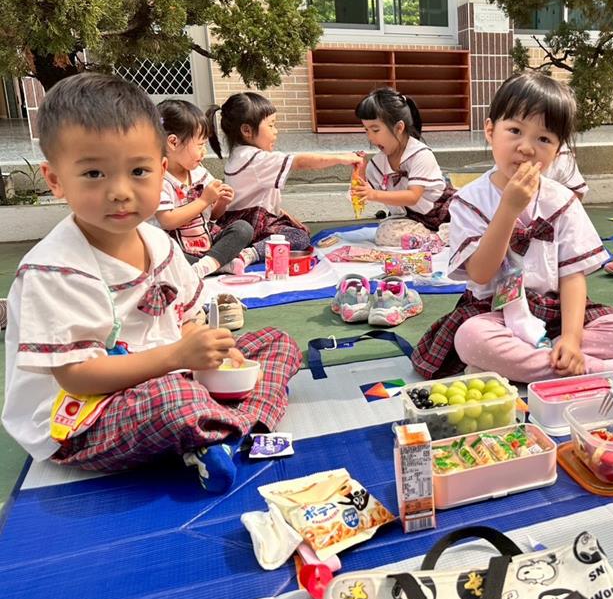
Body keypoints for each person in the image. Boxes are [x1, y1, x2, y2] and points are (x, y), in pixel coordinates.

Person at [2, 74, 301, 494]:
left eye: (139, 170)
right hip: (83, 416)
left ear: (162, 170)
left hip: (167, 371)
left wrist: (213, 350)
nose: (120, 192)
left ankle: (220, 431)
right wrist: (177, 355)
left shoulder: (159, 244)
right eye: (93, 173)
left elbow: (187, 319)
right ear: (55, 180)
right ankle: (216, 426)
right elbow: (76, 376)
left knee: (277, 343)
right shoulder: (53, 269)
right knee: (171, 398)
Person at [413, 71, 613, 384]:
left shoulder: (561, 200)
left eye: (544, 139)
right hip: (494, 311)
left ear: (558, 149)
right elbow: (480, 273)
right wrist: (508, 209)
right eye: (515, 131)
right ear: (490, 130)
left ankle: (542, 360)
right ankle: (598, 371)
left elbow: (572, 276)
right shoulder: (469, 200)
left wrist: (572, 339)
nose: (526, 148)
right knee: (471, 337)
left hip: (554, 311)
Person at [207, 92, 362, 260]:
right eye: (271, 125)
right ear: (247, 130)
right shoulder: (256, 158)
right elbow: (301, 162)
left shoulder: (239, 155)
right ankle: (250, 254)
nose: (276, 131)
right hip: (253, 224)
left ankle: (244, 250)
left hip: (239, 223)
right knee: (299, 237)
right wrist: (342, 158)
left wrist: (285, 214)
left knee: (299, 231)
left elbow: (255, 199)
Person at [154, 100, 256, 278]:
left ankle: (207, 265)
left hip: (206, 241)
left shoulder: (199, 172)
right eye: (200, 145)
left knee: (243, 228)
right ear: (173, 142)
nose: (204, 152)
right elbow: (167, 221)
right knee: (159, 251)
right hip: (177, 248)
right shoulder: (158, 179)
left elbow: (212, 216)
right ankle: (218, 264)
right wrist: (204, 200)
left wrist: (221, 202)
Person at [353, 87, 455, 246]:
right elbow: (359, 196)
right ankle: (433, 237)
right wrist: (359, 170)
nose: (370, 137)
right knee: (384, 233)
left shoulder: (420, 154)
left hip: (444, 211)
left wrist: (374, 194)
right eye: (366, 130)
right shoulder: (376, 165)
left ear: (399, 128)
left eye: (375, 130)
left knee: (469, 220)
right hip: (412, 219)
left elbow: (413, 196)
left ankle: (441, 235)